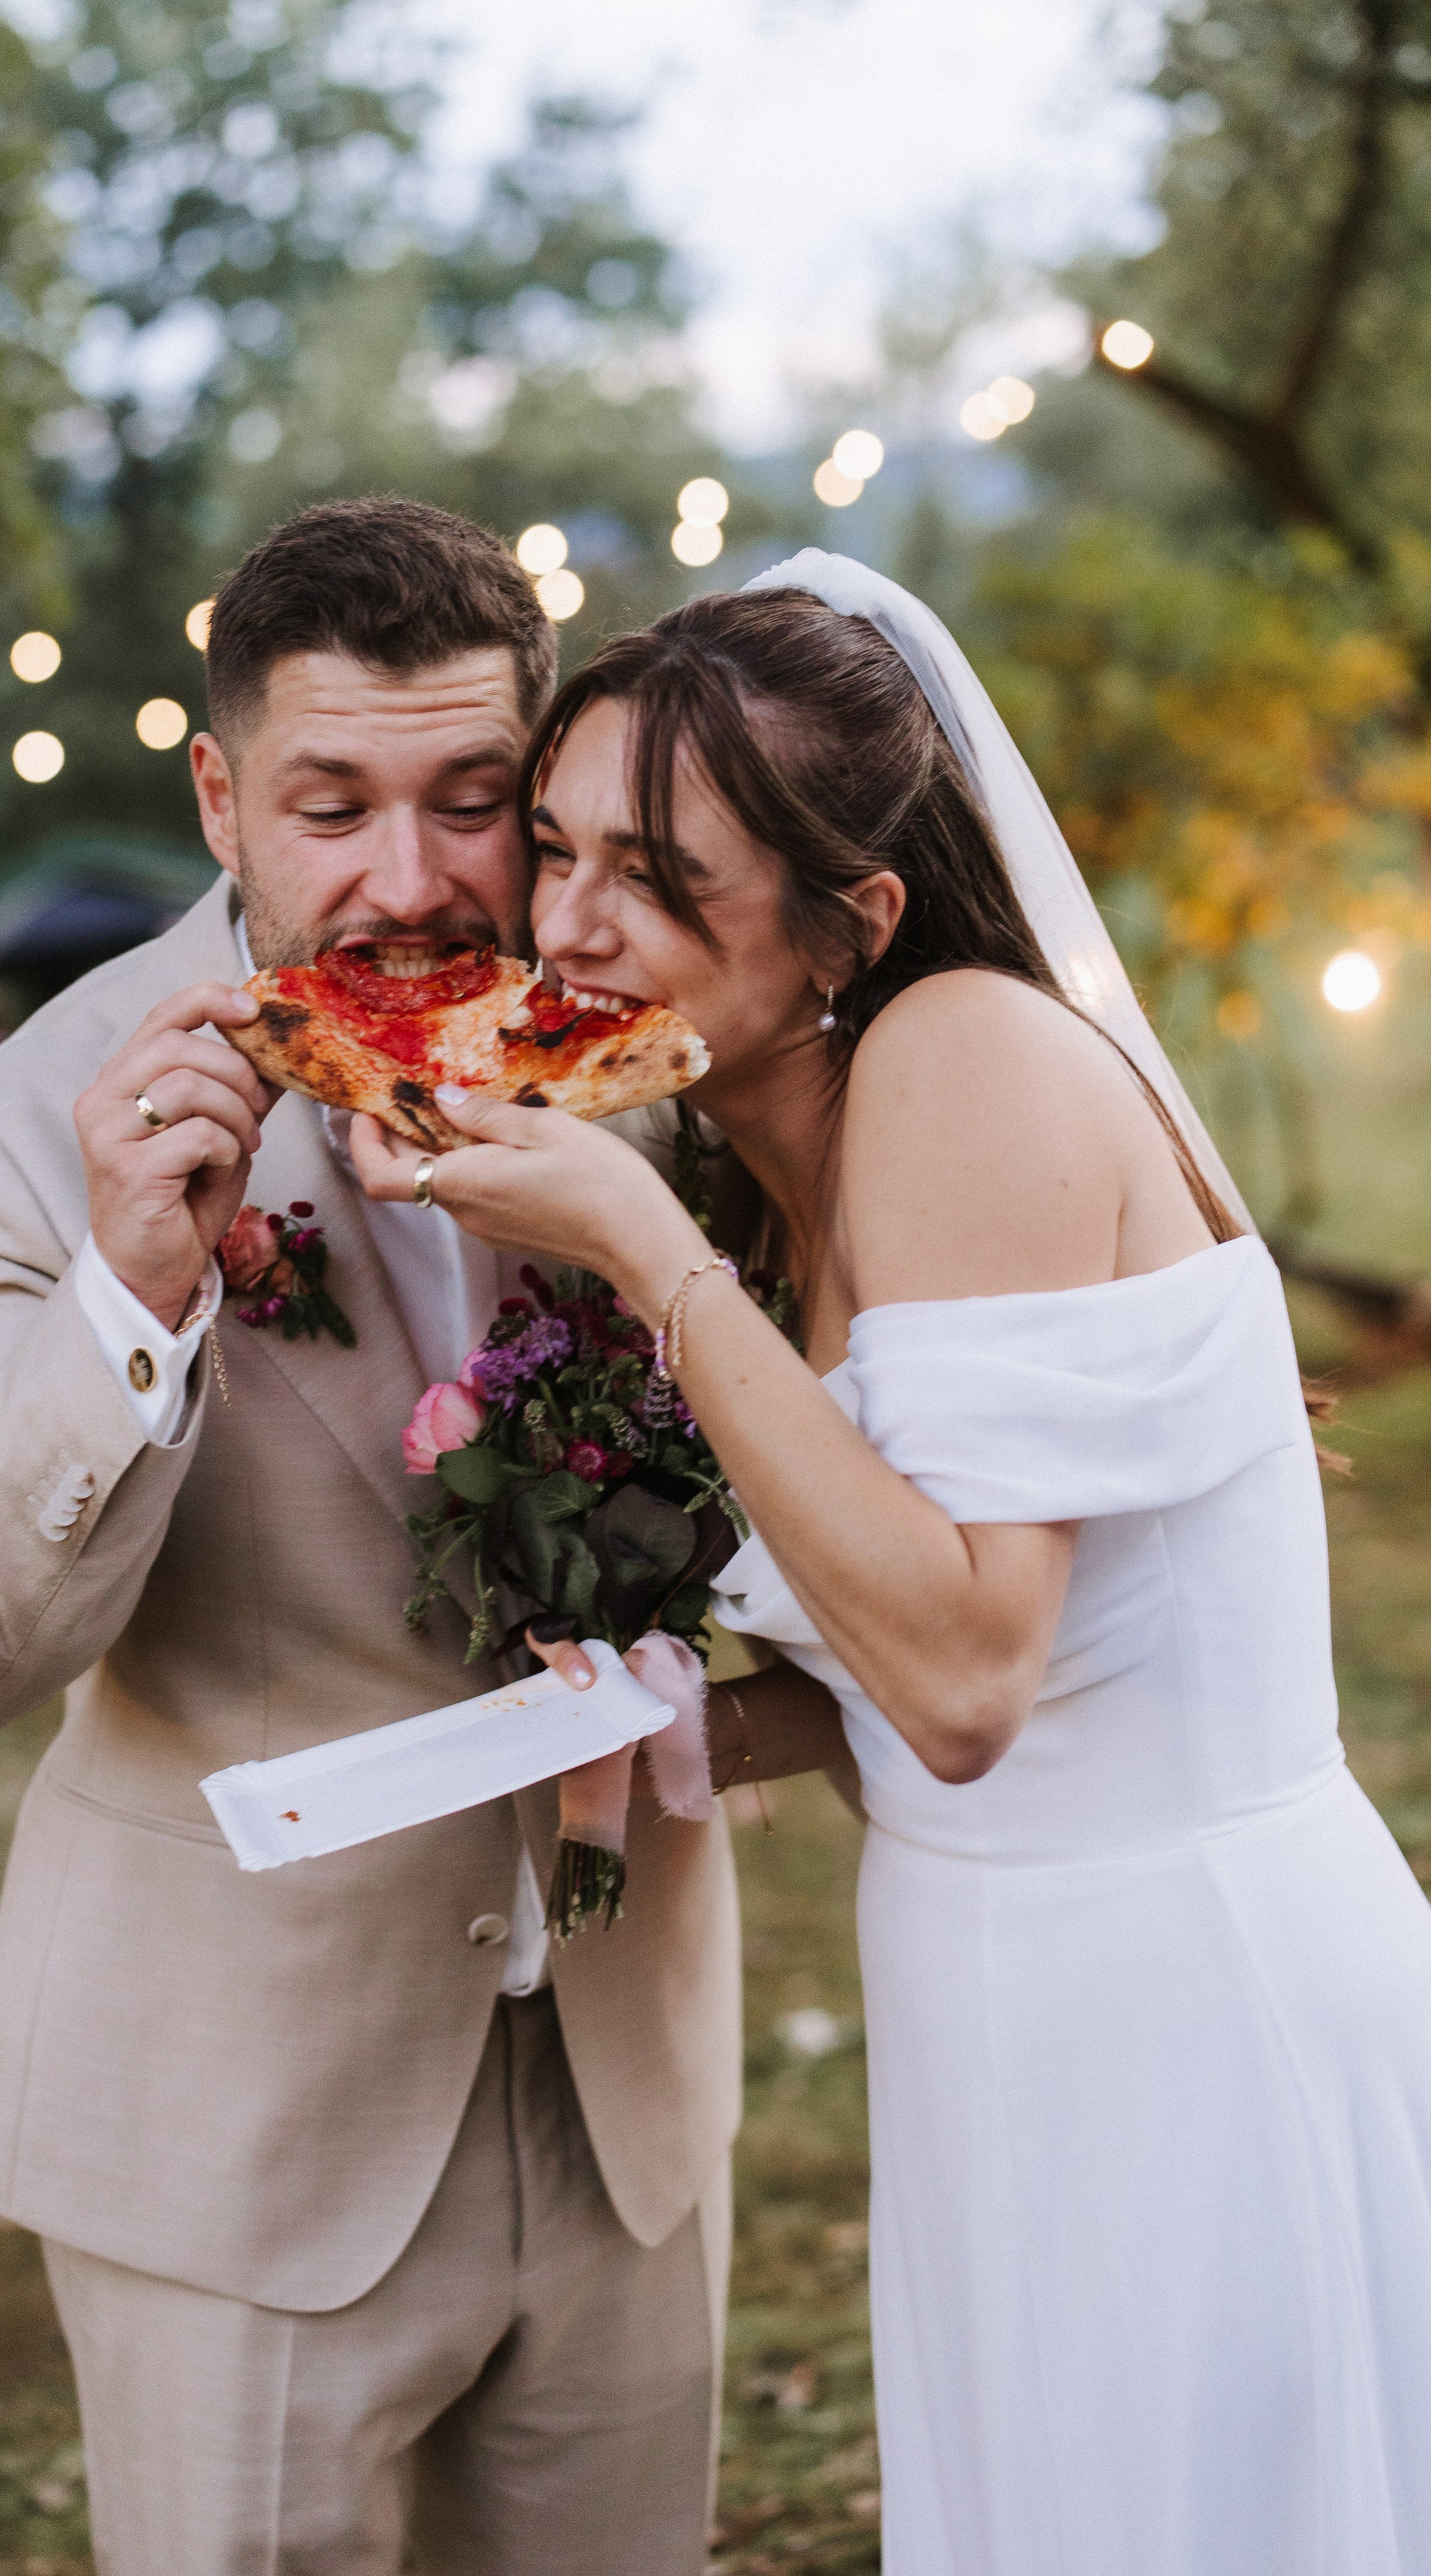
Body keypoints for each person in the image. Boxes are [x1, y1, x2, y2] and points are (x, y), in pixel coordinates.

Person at [352, 550, 1431, 2576]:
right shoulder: (777, 1168)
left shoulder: (962, 1058)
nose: (567, 924)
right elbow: (894, 1689)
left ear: (851, 918)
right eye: (561, 847)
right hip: (992, 2003)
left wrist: (641, 1257)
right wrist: (697, 1717)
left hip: (1182, 2004)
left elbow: (960, 1677)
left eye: (659, 875)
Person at [0, 500, 740, 2576]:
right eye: (332, 804)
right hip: (240, 2131)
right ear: (223, 799)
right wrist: (128, 1303)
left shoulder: (643, 1062)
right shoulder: (22, 1128)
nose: (409, 882)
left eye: (471, 800)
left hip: (622, 2083)